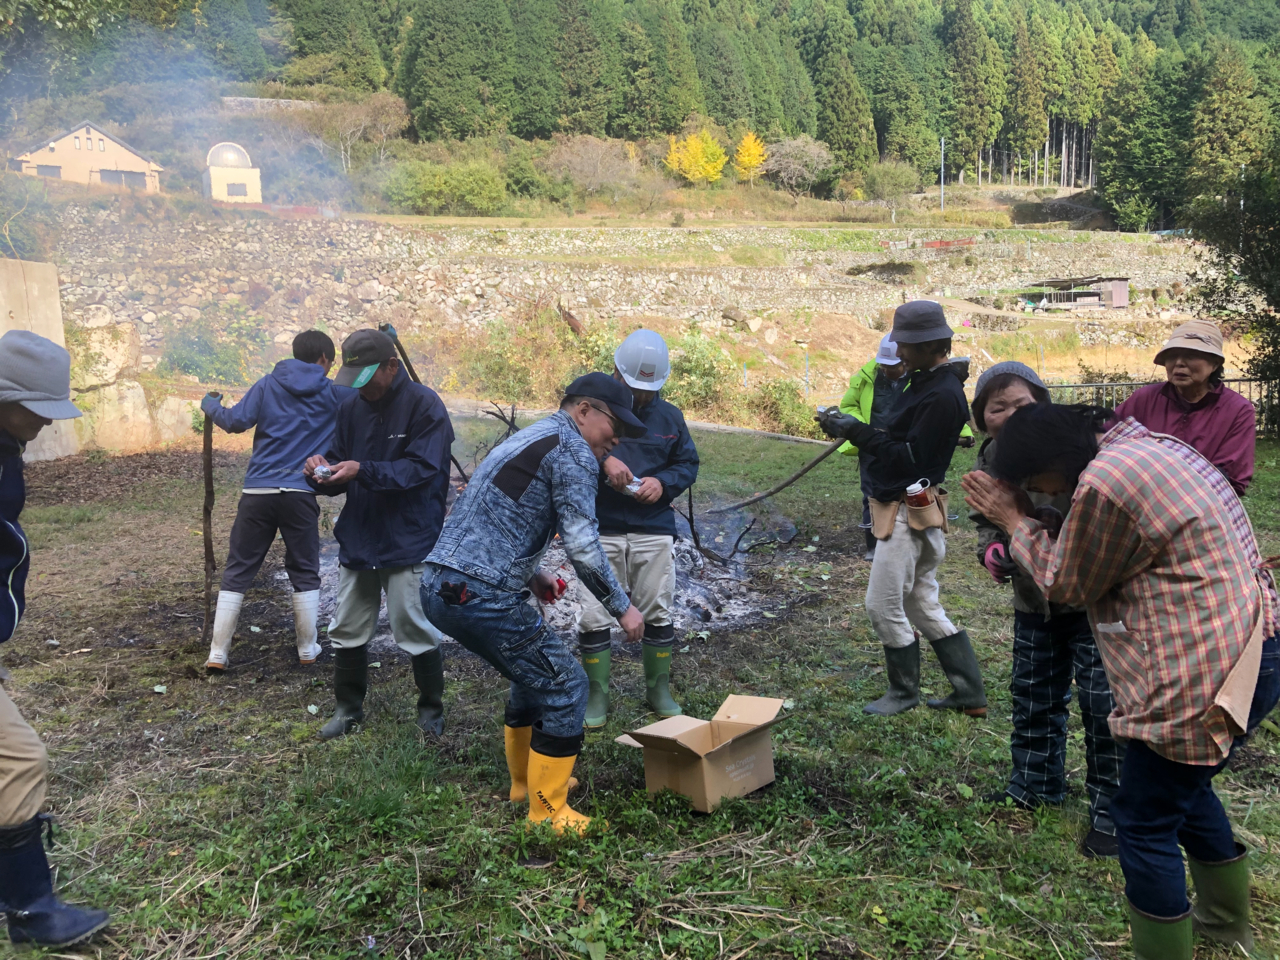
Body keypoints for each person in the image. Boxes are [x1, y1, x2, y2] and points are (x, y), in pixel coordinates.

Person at [963, 404, 1268, 960]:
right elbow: (1114, 547)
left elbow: (1068, 583)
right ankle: (1225, 925)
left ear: (1055, 460)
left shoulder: (1107, 479)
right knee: (1185, 791)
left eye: (1038, 482)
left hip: (1201, 671)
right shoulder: (1152, 447)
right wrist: (1043, 516)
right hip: (1254, 650)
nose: (1045, 493)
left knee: (1142, 820)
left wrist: (1014, 520)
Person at [422, 373, 647, 835]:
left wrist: (533, 572)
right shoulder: (572, 452)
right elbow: (583, 546)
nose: (617, 437)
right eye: (613, 424)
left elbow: (489, 513)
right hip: (479, 592)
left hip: (442, 582)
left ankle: (525, 784)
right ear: (583, 410)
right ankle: (547, 813)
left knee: (532, 676)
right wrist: (622, 607)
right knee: (566, 686)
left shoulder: (533, 436)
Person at [967, 362, 1123, 859]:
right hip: (1033, 598)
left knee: (1104, 706)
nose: (1011, 414)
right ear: (981, 419)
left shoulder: (1081, 453)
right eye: (998, 407)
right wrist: (992, 547)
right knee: (1032, 690)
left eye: (1022, 403)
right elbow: (986, 519)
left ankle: (1113, 813)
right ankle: (1034, 784)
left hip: (1092, 598)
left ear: (1045, 404)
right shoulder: (993, 459)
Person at [817, 301, 986, 718]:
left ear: (930, 345)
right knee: (921, 603)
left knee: (882, 605)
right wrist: (849, 426)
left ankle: (903, 692)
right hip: (914, 508)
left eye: (906, 346)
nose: (900, 354)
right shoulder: (927, 383)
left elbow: (909, 458)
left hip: (908, 513)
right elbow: (899, 439)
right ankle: (970, 694)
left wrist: (856, 431)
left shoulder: (942, 395)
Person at [0, 330, 110, 947]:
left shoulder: (5, 444)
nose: (45, 422)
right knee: (18, 758)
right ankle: (31, 911)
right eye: (36, 408)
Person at [303, 329, 454, 741]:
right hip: (361, 534)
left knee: (415, 626)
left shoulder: (425, 406)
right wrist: (322, 472)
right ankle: (348, 710)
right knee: (347, 626)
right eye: (353, 377)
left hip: (409, 537)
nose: (360, 386)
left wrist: (361, 470)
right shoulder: (352, 408)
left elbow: (422, 471)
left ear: (392, 366)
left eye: (367, 377)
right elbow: (341, 468)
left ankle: (430, 711)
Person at [201, 330, 348, 670]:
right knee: (304, 569)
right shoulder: (333, 393)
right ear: (324, 359)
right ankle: (308, 649)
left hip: (258, 492)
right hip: (300, 492)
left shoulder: (268, 384)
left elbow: (235, 422)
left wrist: (210, 406)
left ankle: (218, 653)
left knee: (238, 568)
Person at [579, 330, 699, 727]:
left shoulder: (670, 417)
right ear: (617, 374)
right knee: (595, 613)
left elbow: (687, 464)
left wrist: (663, 483)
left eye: (649, 390)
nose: (642, 397)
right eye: (634, 388)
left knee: (656, 609)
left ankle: (658, 689)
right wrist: (602, 463)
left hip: (653, 526)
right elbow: (566, 448)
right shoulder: (591, 409)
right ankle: (597, 695)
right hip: (600, 527)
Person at [839, 335, 975, 561]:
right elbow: (849, 405)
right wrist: (858, 428)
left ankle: (894, 538)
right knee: (870, 494)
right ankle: (874, 542)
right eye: (883, 364)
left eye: (892, 364)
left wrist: (964, 433)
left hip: (899, 463)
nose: (887, 368)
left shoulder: (923, 383)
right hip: (873, 446)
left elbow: (935, 422)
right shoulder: (867, 376)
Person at [1113, 319, 1255, 495]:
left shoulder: (1237, 410)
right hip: (1139, 499)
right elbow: (1109, 441)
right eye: (1172, 356)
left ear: (1215, 364)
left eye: (1191, 355)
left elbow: (1230, 477)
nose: (1179, 363)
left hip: (1205, 506)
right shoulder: (1145, 399)